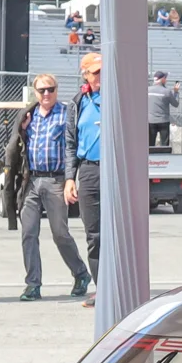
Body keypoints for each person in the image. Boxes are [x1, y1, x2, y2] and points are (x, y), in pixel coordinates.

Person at [11, 73, 87, 301]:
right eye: (42, 90)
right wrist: (22, 130)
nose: (46, 94)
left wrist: (70, 180)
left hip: (56, 180)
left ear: (56, 90)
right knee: (28, 233)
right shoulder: (28, 115)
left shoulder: (65, 114)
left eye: (50, 89)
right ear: (34, 92)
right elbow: (17, 146)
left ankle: (80, 273)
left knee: (59, 233)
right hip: (31, 181)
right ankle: (33, 284)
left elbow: (71, 148)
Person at [70, 52, 106, 303]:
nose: (101, 76)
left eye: (103, 70)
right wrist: (70, 178)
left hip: (115, 170)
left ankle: (122, 287)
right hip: (89, 170)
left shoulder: (118, 97)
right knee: (94, 233)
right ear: (85, 75)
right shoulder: (79, 102)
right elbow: (70, 142)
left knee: (119, 231)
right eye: (95, 72)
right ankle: (102, 288)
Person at [146, 70, 179, 152]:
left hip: (150, 121)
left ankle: (150, 162)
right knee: (164, 146)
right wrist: (176, 92)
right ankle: (164, 161)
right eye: (166, 78)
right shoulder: (167, 91)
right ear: (163, 79)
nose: (166, 80)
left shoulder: (147, 90)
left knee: (150, 145)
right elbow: (175, 104)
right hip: (163, 121)